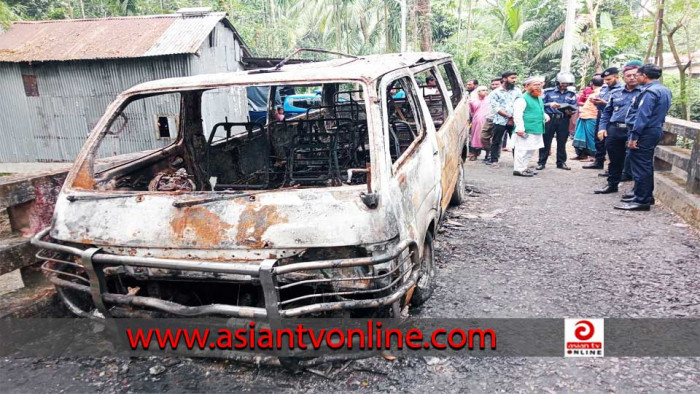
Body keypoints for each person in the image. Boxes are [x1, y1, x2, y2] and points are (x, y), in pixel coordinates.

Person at [614, 63, 672, 211]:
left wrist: (634, 136)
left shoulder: (650, 92)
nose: (635, 77)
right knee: (645, 164)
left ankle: (642, 200)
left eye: (638, 75)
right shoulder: (664, 90)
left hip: (645, 131)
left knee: (641, 166)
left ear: (644, 76)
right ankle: (644, 195)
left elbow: (642, 116)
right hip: (654, 129)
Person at [593, 65, 641, 194]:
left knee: (635, 159)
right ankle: (612, 184)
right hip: (615, 129)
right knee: (614, 159)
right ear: (623, 78)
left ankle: (637, 190)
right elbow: (607, 112)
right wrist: (602, 128)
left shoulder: (644, 93)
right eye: (628, 76)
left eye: (635, 75)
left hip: (634, 130)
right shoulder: (616, 92)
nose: (632, 78)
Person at [584, 67, 623, 171]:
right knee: (598, 140)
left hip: (613, 118)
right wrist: (596, 102)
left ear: (617, 77)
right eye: (605, 80)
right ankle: (598, 161)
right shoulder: (605, 89)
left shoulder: (622, 89)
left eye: (609, 79)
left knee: (611, 143)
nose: (606, 82)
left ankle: (612, 168)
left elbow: (618, 106)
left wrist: (604, 103)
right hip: (601, 115)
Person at [537, 71, 577, 171]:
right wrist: (550, 104)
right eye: (563, 83)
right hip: (550, 118)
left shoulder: (571, 94)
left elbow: (574, 107)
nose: (565, 85)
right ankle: (541, 162)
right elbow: (540, 104)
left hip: (564, 119)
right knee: (546, 141)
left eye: (567, 84)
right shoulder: (548, 92)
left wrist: (570, 112)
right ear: (557, 82)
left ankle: (561, 162)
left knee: (562, 141)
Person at [512, 77, 547, 176]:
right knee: (522, 149)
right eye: (535, 84)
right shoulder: (522, 99)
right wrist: (520, 128)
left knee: (531, 149)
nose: (538, 86)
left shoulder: (538, 97)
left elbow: (538, 110)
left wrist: (544, 116)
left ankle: (524, 167)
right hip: (526, 129)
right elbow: (517, 114)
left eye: (539, 84)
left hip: (537, 128)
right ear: (527, 86)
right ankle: (519, 169)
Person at [484, 71, 520, 168]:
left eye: (515, 78)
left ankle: (518, 162)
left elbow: (520, 104)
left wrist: (514, 118)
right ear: (504, 79)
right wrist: (509, 117)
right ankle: (494, 160)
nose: (514, 80)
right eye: (512, 78)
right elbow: (496, 108)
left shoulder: (517, 91)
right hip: (500, 120)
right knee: (496, 141)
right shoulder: (495, 93)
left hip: (515, 121)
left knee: (516, 141)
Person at [572, 76, 604, 160]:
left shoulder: (600, 92)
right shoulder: (596, 92)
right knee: (584, 136)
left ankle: (593, 156)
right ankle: (583, 155)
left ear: (591, 83)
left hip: (592, 117)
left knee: (591, 137)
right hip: (585, 116)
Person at [468, 86, 490, 160]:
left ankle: (487, 154)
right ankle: (474, 154)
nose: (485, 92)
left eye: (486, 90)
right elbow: (472, 112)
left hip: (487, 121)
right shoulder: (473, 101)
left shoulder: (490, 100)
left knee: (487, 137)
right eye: (483, 90)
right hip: (476, 121)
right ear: (478, 92)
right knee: (475, 137)